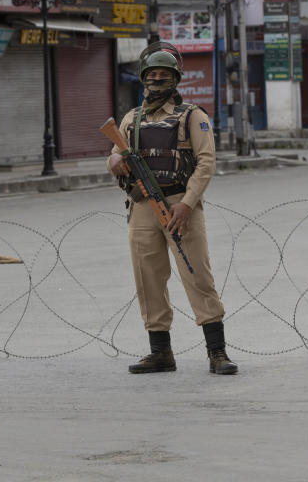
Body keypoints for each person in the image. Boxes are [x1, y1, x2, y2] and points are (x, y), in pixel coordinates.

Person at [107, 42, 237, 375]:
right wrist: (115, 161)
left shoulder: (193, 116)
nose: (158, 79)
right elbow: (114, 153)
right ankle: (160, 352)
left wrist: (187, 204)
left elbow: (206, 163)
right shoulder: (131, 119)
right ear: (143, 78)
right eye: (153, 74)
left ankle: (217, 352)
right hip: (142, 207)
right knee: (147, 278)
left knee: (198, 277)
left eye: (165, 75)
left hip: (181, 206)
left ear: (175, 80)